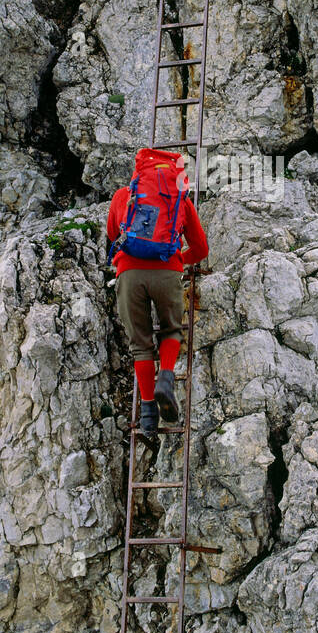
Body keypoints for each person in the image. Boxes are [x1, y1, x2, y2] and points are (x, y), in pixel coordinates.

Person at [106, 148, 209, 446]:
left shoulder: (123, 196)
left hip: (129, 274)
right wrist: (178, 259)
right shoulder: (180, 200)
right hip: (167, 272)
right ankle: (166, 377)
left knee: (140, 345)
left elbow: (115, 237)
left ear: (140, 171)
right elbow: (201, 249)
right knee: (171, 330)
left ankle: (148, 416)